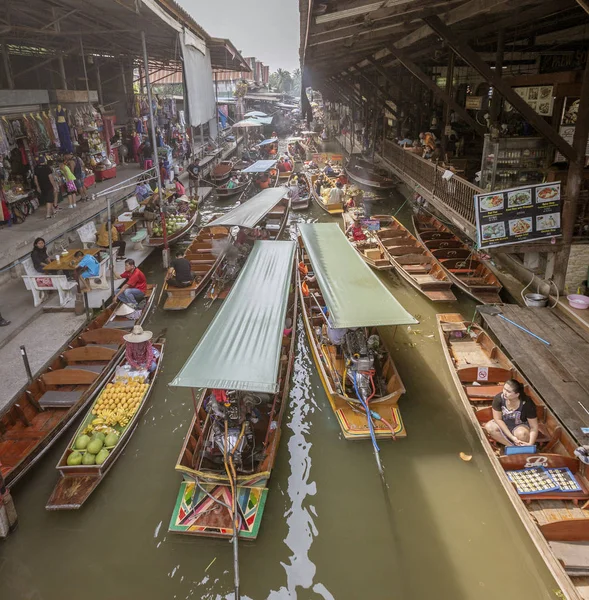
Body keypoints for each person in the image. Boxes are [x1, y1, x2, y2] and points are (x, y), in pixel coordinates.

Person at [484, 379, 538, 447]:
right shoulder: (499, 398)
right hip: (503, 424)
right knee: (489, 427)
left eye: (508, 391)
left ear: (517, 394)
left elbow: (534, 427)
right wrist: (512, 437)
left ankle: (521, 446)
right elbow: (498, 419)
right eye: (504, 389)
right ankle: (511, 446)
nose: (504, 393)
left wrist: (531, 443)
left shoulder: (527, 404)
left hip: (520, 426)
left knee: (522, 434)